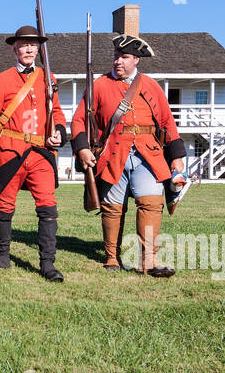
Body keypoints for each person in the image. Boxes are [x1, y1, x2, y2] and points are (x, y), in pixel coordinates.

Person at [71, 34, 187, 276]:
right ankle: (112, 258)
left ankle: (149, 262)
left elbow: (167, 121)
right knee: (113, 207)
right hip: (113, 154)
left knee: (151, 204)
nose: (118, 62)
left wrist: (176, 155)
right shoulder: (99, 85)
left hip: (149, 154)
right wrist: (82, 148)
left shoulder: (151, 86)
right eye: (116, 57)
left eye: (124, 57)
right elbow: (79, 120)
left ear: (136, 60)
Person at [0, 26, 67, 281]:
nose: (28, 49)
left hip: (41, 152)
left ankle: (47, 263)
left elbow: (57, 112)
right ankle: (2, 253)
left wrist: (59, 131)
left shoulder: (48, 77)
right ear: (15, 48)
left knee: (48, 206)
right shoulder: (2, 79)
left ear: (39, 49)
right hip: (10, 151)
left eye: (33, 45)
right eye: (24, 45)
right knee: (5, 204)